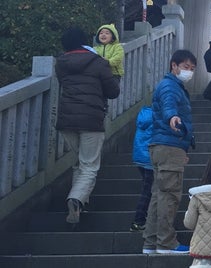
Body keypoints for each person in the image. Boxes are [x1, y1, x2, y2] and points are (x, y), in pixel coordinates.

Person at [55, 27, 121, 224]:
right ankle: (76, 199)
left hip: (67, 120)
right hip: (91, 119)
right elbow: (113, 91)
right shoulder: (98, 62)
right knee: (90, 164)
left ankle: (81, 204)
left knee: (80, 161)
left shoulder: (61, 63)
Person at [142, 49, 197, 254]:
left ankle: (151, 241)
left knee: (158, 194)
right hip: (169, 144)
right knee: (169, 196)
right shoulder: (170, 86)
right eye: (185, 67)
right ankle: (166, 242)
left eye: (192, 69)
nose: (189, 72)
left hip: (163, 145)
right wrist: (172, 117)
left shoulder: (172, 85)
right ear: (174, 66)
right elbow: (168, 105)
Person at [130, 106, 154, 232]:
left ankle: (142, 219)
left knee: (147, 188)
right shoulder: (158, 116)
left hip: (139, 157)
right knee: (148, 190)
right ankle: (138, 221)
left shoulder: (144, 114)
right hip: (150, 158)